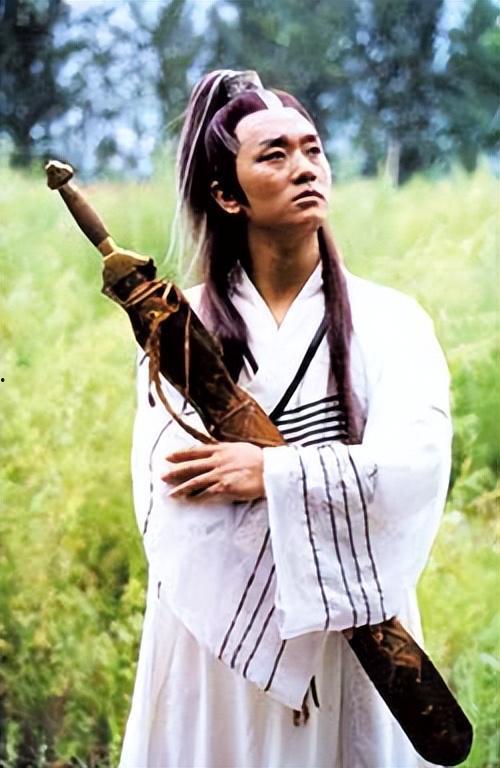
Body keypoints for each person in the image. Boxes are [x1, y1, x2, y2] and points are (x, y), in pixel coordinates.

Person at [120, 70, 452, 767]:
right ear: (226, 193)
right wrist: (308, 486)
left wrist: (272, 473)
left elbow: (414, 465)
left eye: (312, 149)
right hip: (221, 633)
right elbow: (176, 491)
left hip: (351, 631)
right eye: (274, 154)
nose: (304, 168)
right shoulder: (181, 329)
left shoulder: (392, 321)